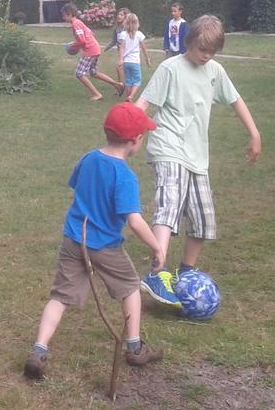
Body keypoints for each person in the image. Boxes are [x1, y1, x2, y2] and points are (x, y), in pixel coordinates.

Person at [23, 102, 167, 380]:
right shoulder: (125, 176)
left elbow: (77, 186)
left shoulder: (88, 158)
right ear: (135, 140)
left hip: (74, 238)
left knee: (60, 297)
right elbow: (134, 221)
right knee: (130, 288)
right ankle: (134, 347)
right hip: (104, 245)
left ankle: (38, 350)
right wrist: (156, 246)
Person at [134, 15, 261, 306]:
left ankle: (185, 274)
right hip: (168, 147)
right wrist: (131, 131)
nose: (206, 56)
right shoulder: (170, 68)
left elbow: (235, 100)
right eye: (202, 50)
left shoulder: (215, 70)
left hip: (197, 155)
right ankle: (157, 272)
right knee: (170, 202)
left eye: (211, 51)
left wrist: (254, 133)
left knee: (204, 219)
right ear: (189, 42)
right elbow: (144, 104)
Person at [62, 2, 124, 101]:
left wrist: (74, 46)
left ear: (69, 14)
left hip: (90, 51)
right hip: (95, 48)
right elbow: (91, 33)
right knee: (94, 72)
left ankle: (97, 94)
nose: (63, 18)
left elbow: (82, 40)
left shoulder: (75, 24)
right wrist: (79, 43)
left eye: (64, 15)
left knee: (79, 73)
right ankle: (117, 84)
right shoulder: (79, 22)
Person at [117, 12, 152, 103]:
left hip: (126, 62)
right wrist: (147, 59)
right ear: (137, 23)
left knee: (128, 80)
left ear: (126, 23)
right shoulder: (139, 34)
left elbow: (122, 47)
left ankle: (128, 98)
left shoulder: (123, 34)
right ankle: (131, 96)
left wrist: (121, 59)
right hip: (135, 62)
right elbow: (144, 49)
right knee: (137, 80)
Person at [103, 6, 131, 85]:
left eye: (122, 15)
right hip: (121, 52)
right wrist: (106, 48)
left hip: (128, 52)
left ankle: (122, 85)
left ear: (126, 17)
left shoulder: (128, 28)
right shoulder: (117, 28)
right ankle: (121, 84)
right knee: (119, 68)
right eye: (118, 14)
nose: (119, 16)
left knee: (120, 68)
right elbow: (114, 41)